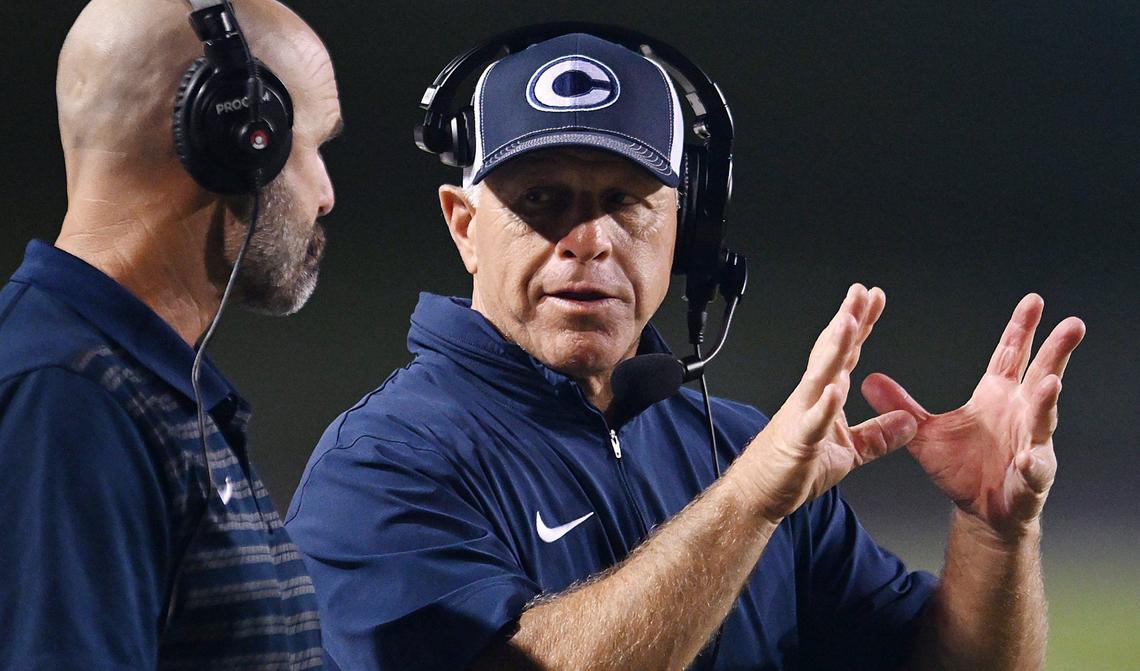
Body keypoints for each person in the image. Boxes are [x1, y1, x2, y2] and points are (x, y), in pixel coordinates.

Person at [285, 31, 1085, 670]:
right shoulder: (382, 465)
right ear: (464, 225)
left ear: (686, 230)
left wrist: (993, 533)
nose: (587, 240)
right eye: (541, 202)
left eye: (626, 202)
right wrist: (746, 505)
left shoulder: (736, 447)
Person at [0, 0, 341, 667]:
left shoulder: (134, 386)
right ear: (241, 134)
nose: (325, 192)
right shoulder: (63, 400)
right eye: (314, 146)